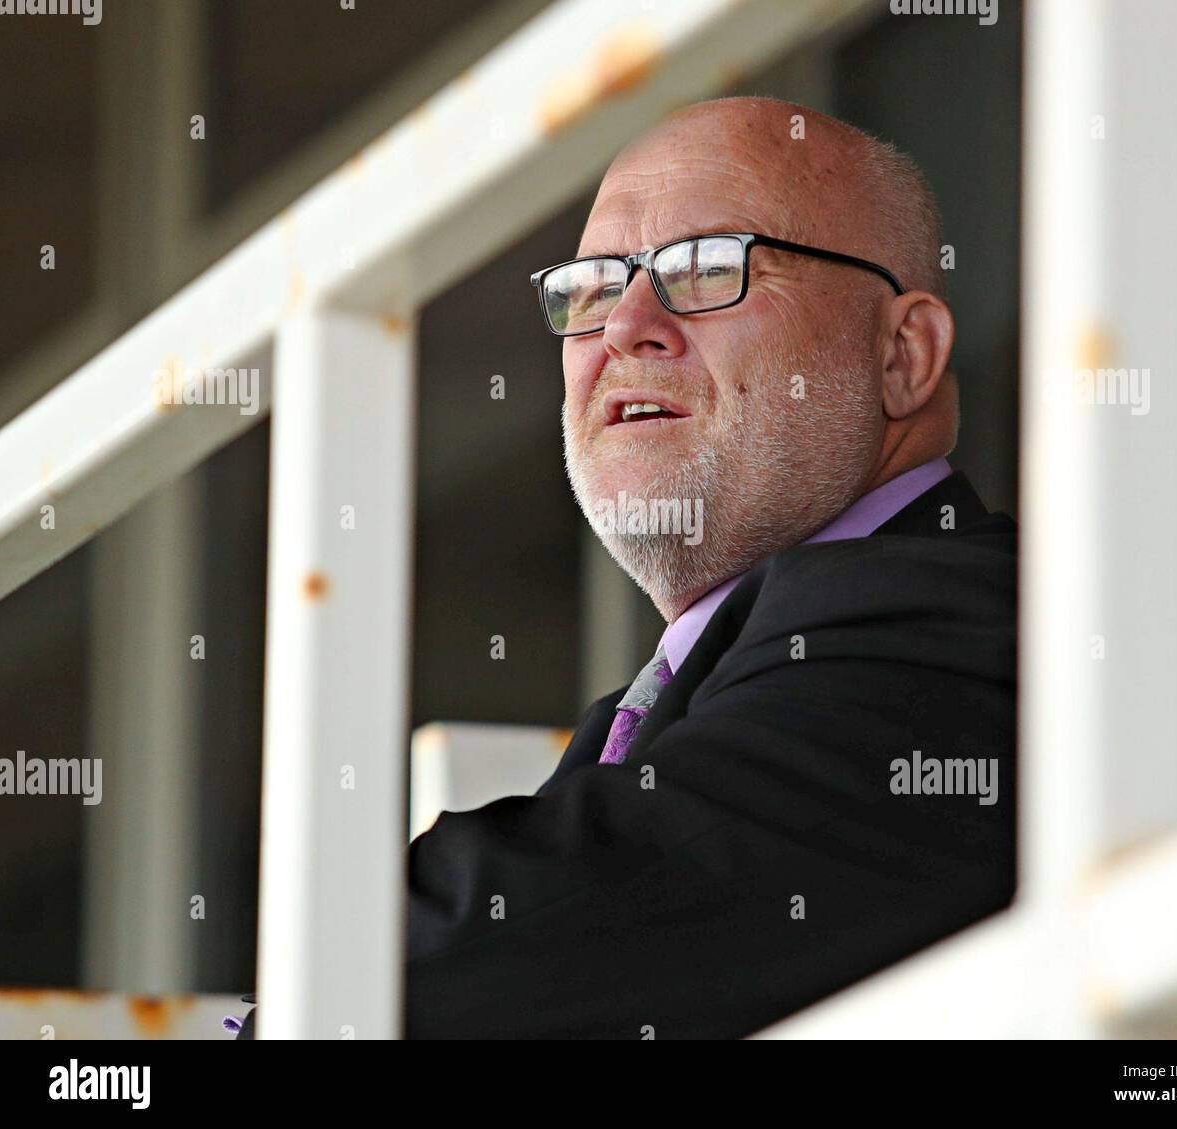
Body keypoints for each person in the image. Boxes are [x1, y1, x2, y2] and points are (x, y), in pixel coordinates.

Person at [240, 95, 1020, 1039]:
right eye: (596, 287)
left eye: (706, 268)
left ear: (904, 355)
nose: (625, 327)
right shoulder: (665, 711)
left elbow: (474, 956)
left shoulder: (963, 618)